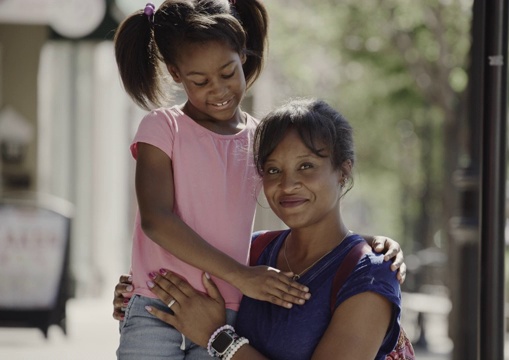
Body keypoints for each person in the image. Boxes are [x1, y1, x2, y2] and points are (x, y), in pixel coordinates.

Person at [113, 1, 406, 359]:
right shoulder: (164, 127)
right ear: (176, 74)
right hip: (159, 304)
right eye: (200, 81)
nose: (218, 90)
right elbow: (157, 221)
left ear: (243, 57)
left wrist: (366, 245)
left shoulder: (257, 139)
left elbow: (314, 228)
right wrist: (138, 291)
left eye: (227, 73)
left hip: (225, 310)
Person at [134, 98, 404, 359]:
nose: (287, 185)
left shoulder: (369, 276)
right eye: (273, 170)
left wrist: (218, 338)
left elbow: (210, 330)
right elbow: (185, 279)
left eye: (306, 166)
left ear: (343, 171)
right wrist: (141, 295)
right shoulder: (253, 251)